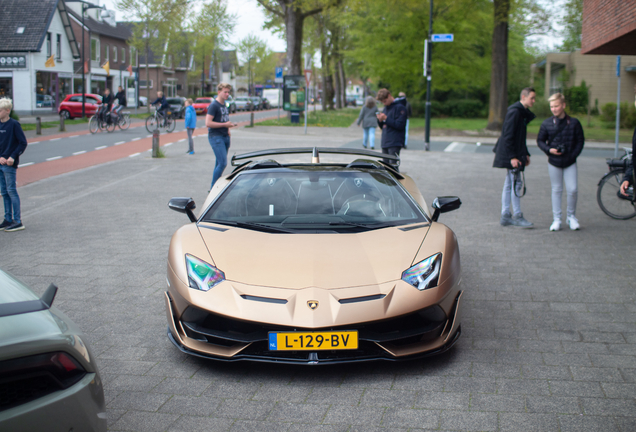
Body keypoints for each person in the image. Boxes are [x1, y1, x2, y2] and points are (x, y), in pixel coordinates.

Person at [537, 93, 584, 231]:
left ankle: (571, 217)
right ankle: (556, 219)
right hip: (554, 161)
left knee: (573, 190)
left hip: (570, 162)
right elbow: (540, 140)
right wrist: (549, 150)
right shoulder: (546, 123)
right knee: (556, 190)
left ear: (563, 105)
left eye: (556, 106)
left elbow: (580, 141)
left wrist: (573, 155)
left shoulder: (574, 123)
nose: (554, 109)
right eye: (551, 106)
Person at [493, 87, 536, 228]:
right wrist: (513, 157)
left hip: (514, 154)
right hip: (511, 155)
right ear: (523, 97)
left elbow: (519, 138)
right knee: (515, 184)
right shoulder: (515, 112)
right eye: (532, 98)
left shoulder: (520, 112)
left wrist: (525, 153)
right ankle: (516, 215)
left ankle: (506, 215)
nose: (534, 101)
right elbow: (508, 136)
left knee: (510, 184)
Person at [0, 98, 27, 232]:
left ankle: (17, 220)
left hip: (9, 164)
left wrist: (12, 157)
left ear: (7, 111)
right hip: (0, 163)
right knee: (4, 192)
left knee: (11, 191)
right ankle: (7, 219)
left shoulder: (14, 125)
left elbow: (22, 143)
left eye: (0, 110)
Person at [207, 83, 237, 190]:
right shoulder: (214, 106)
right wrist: (225, 125)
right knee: (223, 163)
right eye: (225, 92)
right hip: (216, 136)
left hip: (225, 136)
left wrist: (228, 128)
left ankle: (215, 186)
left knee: (219, 162)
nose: (227, 94)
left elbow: (224, 119)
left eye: (228, 92)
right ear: (219, 92)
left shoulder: (224, 105)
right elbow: (208, 123)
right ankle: (213, 188)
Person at [375, 88, 407, 168]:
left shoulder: (400, 108)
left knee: (393, 168)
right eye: (382, 102)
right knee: (385, 168)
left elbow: (400, 125)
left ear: (389, 96)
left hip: (394, 141)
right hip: (385, 141)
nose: (384, 104)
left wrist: (386, 118)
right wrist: (380, 120)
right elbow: (382, 126)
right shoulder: (386, 107)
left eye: (385, 101)